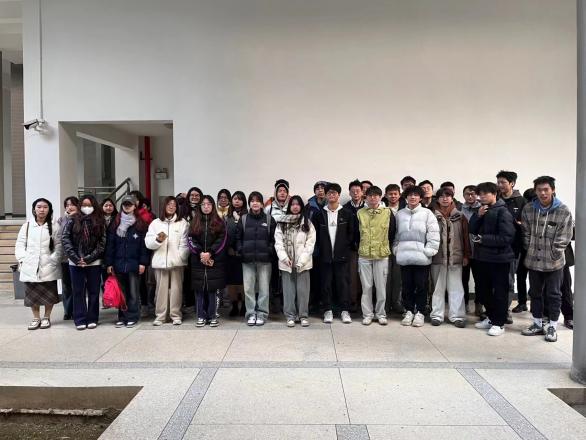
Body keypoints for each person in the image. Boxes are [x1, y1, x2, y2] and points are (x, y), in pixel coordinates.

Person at [520, 176, 573, 343]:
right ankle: (537, 323)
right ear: (535, 191)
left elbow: (565, 237)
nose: (543, 193)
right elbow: (525, 232)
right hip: (533, 260)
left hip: (554, 262)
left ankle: (552, 326)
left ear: (553, 190)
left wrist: (554, 253)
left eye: (546, 190)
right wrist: (529, 247)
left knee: (554, 294)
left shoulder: (563, 210)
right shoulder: (529, 208)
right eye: (539, 190)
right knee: (535, 293)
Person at [470, 182, 516, 337]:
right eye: (480, 194)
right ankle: (491, 317)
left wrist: (483, 239)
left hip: (499, 259)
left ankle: (499, 323)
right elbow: (471, 229)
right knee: (483, 291)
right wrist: (478, 216)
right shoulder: (481, 209)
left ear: (495, 194)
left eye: (485, 193)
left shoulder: (503, 211)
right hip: (481, 258)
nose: (481, 197)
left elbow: (506, 237)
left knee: (500, 292)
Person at [393, 186, 440, 327]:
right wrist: (396, 249)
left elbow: (433, 234)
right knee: (406, 285)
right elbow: (395, 235)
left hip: (422, 257)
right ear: (406, 197)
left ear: (420, 198)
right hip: (404, 256)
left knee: (421, 285)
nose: (413, 197)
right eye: (410, 195)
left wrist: (429, 251)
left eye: (416, 195)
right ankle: (408, 310)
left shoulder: (427, 213)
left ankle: (420, 312)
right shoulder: (400, 214)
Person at [15, 198, 63, 330]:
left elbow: (59, 245)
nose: (42, 210)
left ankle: (46, 317)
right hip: (30, 266)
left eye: (45, 207)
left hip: (49, 266)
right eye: (39, 207)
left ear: (49, 210)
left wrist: (53, 260)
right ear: (34, 209)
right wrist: (23, 259)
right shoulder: (27, 226)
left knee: (49, 294)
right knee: (32, 295)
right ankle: (36, 318)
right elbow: (20, 244)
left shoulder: (54, 226)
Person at [62, 194, 106, 330]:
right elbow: (65, 239)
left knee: (94, 291)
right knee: (78, 291)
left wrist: (89, 258)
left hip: (94, 262)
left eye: (89, 205)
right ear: (80, 206)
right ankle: (80, 318)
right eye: (84, 205)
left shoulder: (100, 221)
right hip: (75, 262)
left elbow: (102, 242)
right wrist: (76, 258)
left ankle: (93, 318)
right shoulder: (72, 220)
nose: (87, 207)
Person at [105, 195, 150, 328]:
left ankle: (132, 316)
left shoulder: (140, 223)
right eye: (125, 204)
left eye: (130, 204)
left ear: (135, 206)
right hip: (118, 264)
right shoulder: (115, 222)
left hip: (134, 264)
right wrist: (109, 263)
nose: (127, 206)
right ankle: (122, 317)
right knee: (121, 293)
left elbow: (144, 246)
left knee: (133, 293)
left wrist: (143, 263)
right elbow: (110, 245)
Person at [313, 183, 355, 324]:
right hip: (324, 256)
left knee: (343, 283)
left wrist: (344, 248)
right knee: (326, 284)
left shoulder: (347, 213)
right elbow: (314, 234)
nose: (331, 195)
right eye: (329, 193)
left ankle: (344, 310)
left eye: (334, 193)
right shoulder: (319, 214)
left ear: (338, 195)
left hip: (342, 256)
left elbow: (351, 234)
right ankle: (328, 310)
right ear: (325, 195)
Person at [145, 196, 189, 326]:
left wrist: (180, 257)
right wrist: (157, 240)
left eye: (174, 205)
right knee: (160, 290)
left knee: (176, 289)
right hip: (160, 263)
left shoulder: (182, 223)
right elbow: (148, 242)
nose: (171, 207)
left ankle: (175, 315)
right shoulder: (155, 223)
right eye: (169, 204)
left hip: (177, 263)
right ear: (164, 206)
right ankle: (160, 316)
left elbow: (185, 244)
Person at [430, 187, 470, 327]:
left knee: (456, 288)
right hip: (437, 258)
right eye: (442, 196)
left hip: (456, 258)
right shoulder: (431, 216)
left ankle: (457, 316)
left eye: (448, 196)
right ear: (437, 199)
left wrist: (466, 255)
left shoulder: (460, 216)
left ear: (452, 198)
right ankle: (437, 315)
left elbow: (466, 238)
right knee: (437, 288)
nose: (445, 198)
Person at [274, 196, 316, 327]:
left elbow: (310, 244)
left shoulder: (307, 223)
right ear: (289, 207)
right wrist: (284, 258)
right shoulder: (281, 223)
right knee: (288, 292)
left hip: (303, 264)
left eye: (298, 204)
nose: (295, 207)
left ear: (301, 207)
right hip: (286, 263)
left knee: (303, 292)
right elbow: (278, 243)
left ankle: (303, 316)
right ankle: (290, 316)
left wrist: (301, 261)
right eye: (293, 204)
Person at [357, 186, 396, 325]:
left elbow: (392, 233)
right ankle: (367, 314)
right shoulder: (360, 213)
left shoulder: (388, 212)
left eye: (376, 195)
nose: (373, 198)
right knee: (366, 287)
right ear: (366, 197)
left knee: (381, 286)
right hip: (364, 254)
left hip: (381, 254)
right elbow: (355, 233)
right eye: (370, 195)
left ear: (380, 197)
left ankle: (381, 314)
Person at [237, 191, 277, 326]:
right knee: (248, 289)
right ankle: (250, 314)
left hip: (265, 260)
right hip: (247, 260)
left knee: (264, 289)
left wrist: (269, 251)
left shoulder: (269, 219)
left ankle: (262, 314)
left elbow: (274, 239)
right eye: (252, 201)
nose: (255, 203)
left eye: (258, 201)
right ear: (249, 203)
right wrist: (241, 250)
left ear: (261, 204)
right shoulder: (243, 219)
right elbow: (238, 238)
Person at [188, 195, 228, 327]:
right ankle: (201, 316)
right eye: (203, 204)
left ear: (213, 206)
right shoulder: (194, 221)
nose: (206, 207)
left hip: (214, 261)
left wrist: (210, 253)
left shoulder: (219, 222)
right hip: (198, 261)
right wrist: (200, 253)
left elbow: (222, 240)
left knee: (213, 290)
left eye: (209, 204)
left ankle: (212, 316)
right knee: (199, 290)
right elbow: (190, 239)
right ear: (200, 206)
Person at [496, 170, 527, 320]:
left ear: (512, 183)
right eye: (498, 182)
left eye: (503, 182)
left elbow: (526, 224)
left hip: (513, 248)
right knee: (495, 280)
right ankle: (495, 310)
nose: (500, 185)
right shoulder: (495, 199)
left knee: (508, 280)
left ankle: (505, 311)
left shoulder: (522, 202)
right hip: (495, 247)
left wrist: (520, 225)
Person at [343, 179, 365, 313]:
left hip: (366, 247)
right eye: (353, 191)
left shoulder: (368, 207)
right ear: (349, 193)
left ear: (362, 192)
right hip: (351, 248)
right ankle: (353, 302)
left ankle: (365, 303)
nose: (355, 193)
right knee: (352, 276)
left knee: (365, 277)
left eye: (358, 191)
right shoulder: (345, 208)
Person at [57, 196, 79, 320]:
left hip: (77, 258)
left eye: (72, 204)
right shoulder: (61, 220)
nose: (69, 207)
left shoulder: (81, 219)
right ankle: (67, 310)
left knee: (77, 285)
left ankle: (77, 310)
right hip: (65, 258)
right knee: (66, 285)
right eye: (67, 205)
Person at [461, 185, 482, 316]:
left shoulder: (483, 208)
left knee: (479, 280)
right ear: (463, 195)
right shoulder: (459, 209)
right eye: (467, 194)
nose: (470, 196)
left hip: (479, 251)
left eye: (473, 194)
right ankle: (464, 304)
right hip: (463, 250)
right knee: (463, 279)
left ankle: (479, 304)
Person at [383, 184, 404, 315]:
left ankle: (396, 302)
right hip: (384, 246)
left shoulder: (405, 208)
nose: (393, 196)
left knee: (398, 276)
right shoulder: (381, 209)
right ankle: (385, 304)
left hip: (400, 246)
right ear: (386, 195)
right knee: (385, 276)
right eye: (390, 194)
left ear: (399, 195)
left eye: (395, 193)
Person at [226, 191, 247, 317]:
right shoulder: (227, 217)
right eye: (235, 199)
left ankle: (244, 305)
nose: (237, 201)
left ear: (244, 201)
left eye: (240, 199)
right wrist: (228, 248)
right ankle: (234, 305)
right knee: (232, 283)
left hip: (243, 253)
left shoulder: (247, 216)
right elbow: (224, 235)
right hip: (229, 254)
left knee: (243, 282)